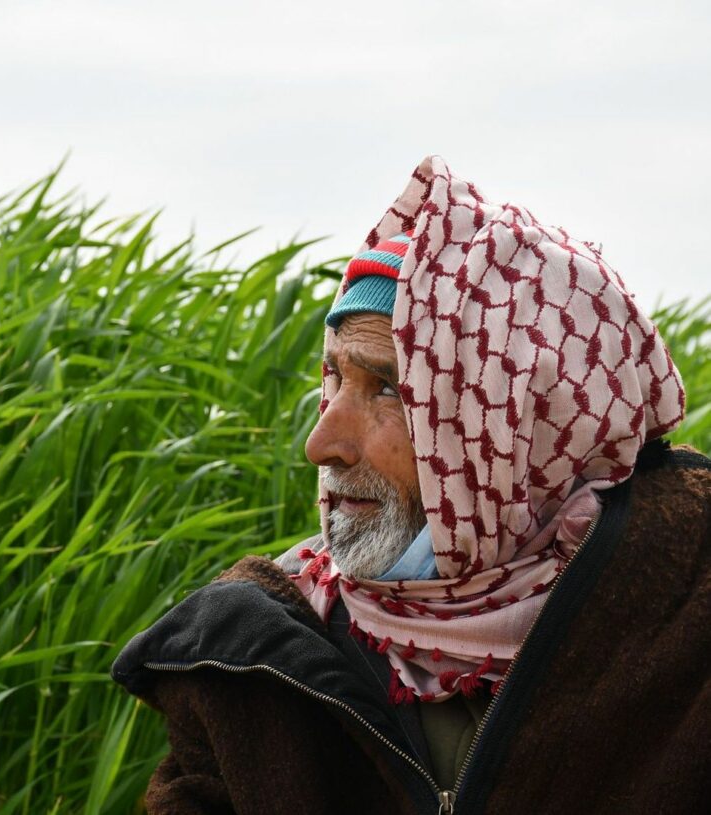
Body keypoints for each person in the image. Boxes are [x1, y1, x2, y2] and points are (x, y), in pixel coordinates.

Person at [111, 157, 711, 814]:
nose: (321, 443)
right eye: (333, 379)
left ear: (519, 423)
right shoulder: (251, 661)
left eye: (390, 390)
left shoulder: (686, 626)